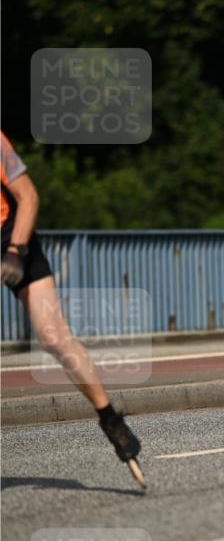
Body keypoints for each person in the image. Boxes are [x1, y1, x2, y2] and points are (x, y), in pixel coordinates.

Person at [0, 132, 145, 486]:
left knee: (52, 335)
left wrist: (16, 251)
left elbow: (29, 196)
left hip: (10, 235)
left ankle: (110, 417)